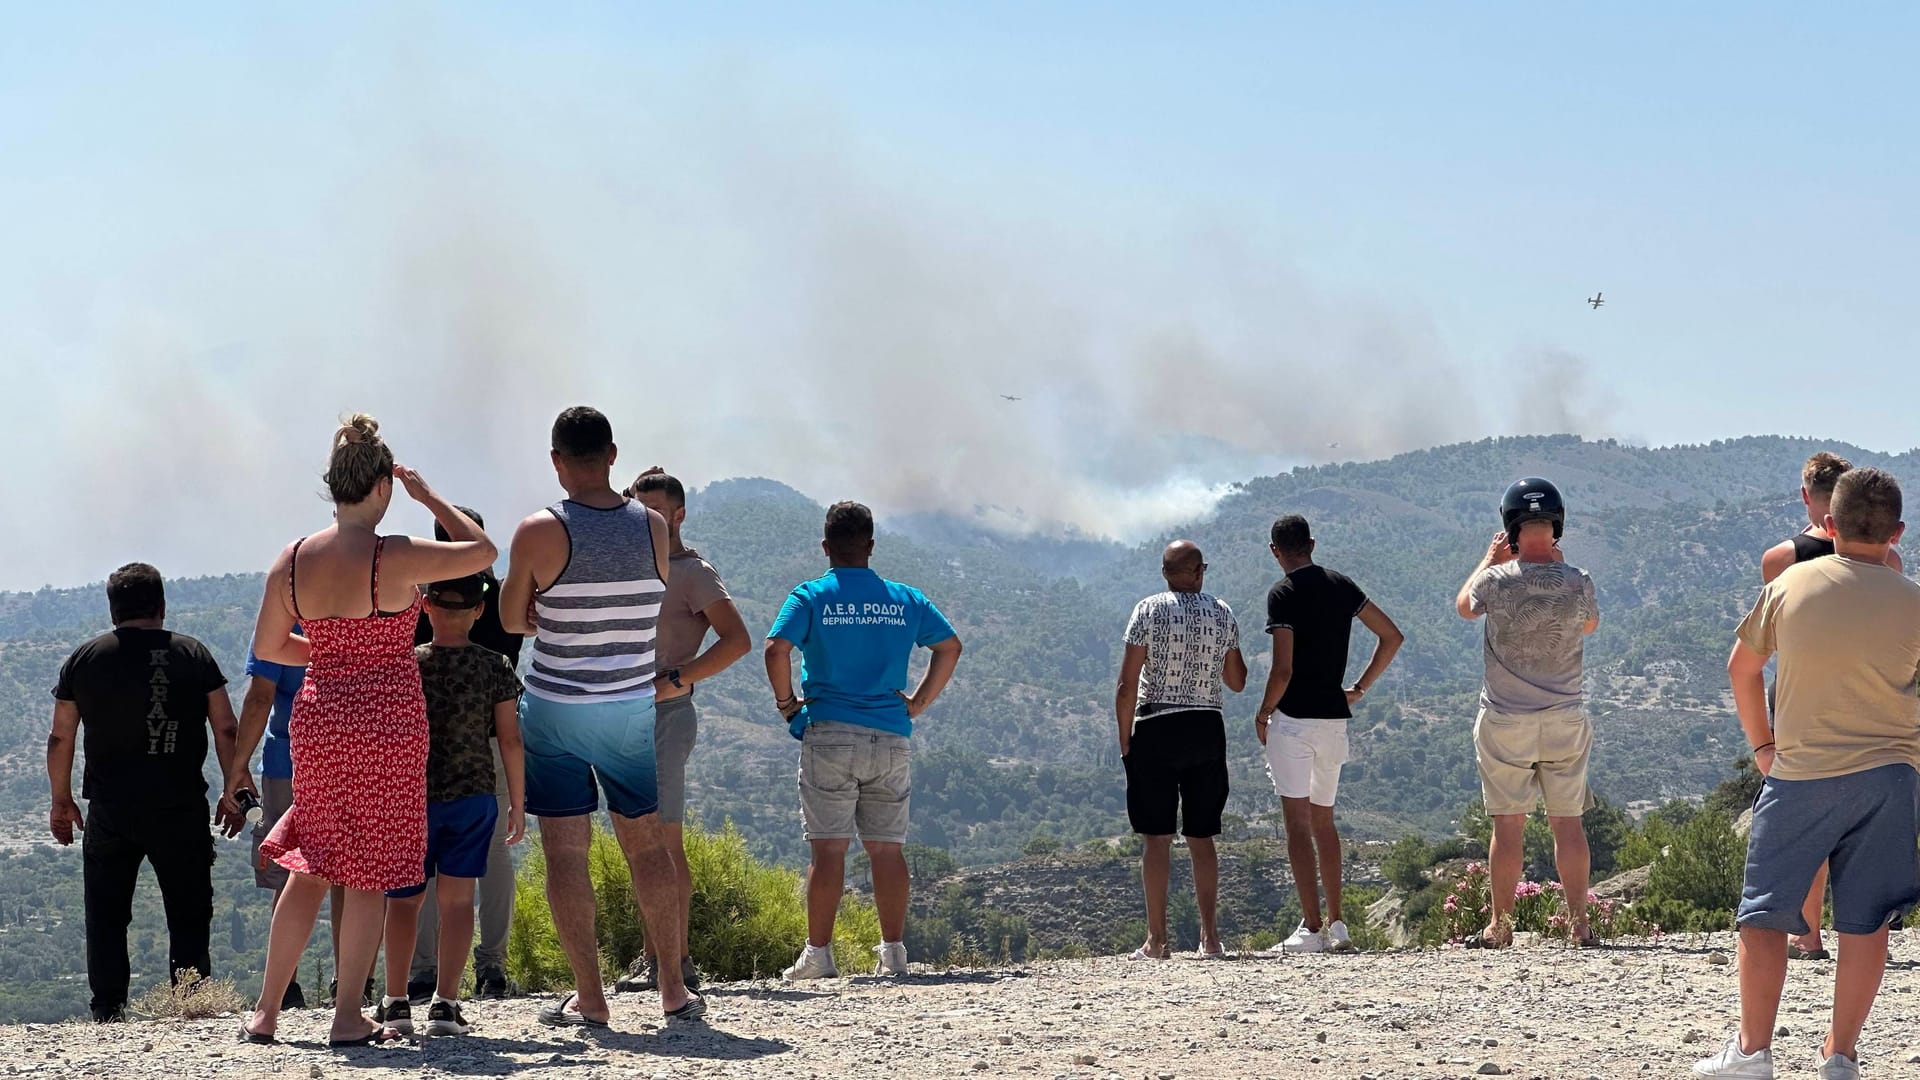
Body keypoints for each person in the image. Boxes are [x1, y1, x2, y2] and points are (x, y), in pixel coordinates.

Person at [231, 414, 496, 1047]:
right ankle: (347, 1013)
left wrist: (330, 649)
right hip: (389, 724)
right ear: (382, 486)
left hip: (321, 718)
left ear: (332, 484)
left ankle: (265, 1013)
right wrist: (430, 498)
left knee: (312, 861)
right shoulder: (396, 555)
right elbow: (483, 553)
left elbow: (270, 646)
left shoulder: (291, 561)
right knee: (371, 870)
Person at [1693, 468, 1920, 1080]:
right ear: (1897, 533)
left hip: (1800, 772)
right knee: (1867, 921)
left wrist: (1764, 747)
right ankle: (1839, 1057)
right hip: (1891, 777)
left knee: (1765, 914)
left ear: (1828, 525)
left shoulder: (1792, 583)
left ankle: (1752, 1054)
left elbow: (1741, 669)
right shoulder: (1915, 602)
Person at [498, 406, 703, 1024]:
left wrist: (545, 605)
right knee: (646, 848)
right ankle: (672, 987)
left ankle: (590, 999)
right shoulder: (654, 529)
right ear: (613, 455)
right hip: (629, 709)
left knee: (566, 852)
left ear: (557, 462)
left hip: (557, 708)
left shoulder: (538, 530)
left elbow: (512, 619)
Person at [765, 501, 962, 980]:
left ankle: (819, 956)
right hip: (891, 734)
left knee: (828, 851)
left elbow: (775, 649)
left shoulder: (810, 595)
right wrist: (916, 703)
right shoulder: (905, 599)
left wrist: (787, 704)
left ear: (825, 546)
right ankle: (893, 953)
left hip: (829, 731)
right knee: (887, 850)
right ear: (871, 546)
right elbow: (949, 646)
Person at [46, 563, 247, 1022]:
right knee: (189, 908)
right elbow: (226, 725)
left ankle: (108, 1009)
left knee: (106, 912)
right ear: (161, 606)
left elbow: (61, 737)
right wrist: (236, 785)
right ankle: (191, 1002)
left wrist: (61, 799)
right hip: (179, 805)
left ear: (113, 609)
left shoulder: (84, 658)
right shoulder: (192, 653)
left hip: (111, 808)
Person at [1756, 452, 1902, 964]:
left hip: (1799, 699)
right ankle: (1862, 932)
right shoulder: (1890, 562)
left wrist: (1761, 741)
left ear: (1807, 497)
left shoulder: (1780, 560)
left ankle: (1807, 933)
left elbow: (1765, 646)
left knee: (1805, 821)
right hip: (1873, 703)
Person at [613, 468, 752, 994]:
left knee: (666, 840)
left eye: (655, 511)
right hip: (620, 716)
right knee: (637, 841)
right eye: (638, 509)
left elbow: (737, 639)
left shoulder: (693, 572)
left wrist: (679, 677)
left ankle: (680, 961)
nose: (646, 519)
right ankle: (654, 961)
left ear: (678, 515)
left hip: (667, 718)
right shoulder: (627, 565)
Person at [377, 574, 527, 1037]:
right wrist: (518, 803)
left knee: (403, 903)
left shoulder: (403, 663)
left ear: (425, 606)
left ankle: (396, 1002)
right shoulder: (495, 666)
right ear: (480, 611)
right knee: (458, 903)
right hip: (473, 798)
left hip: (410, 798)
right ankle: (446, 1004)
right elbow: (509, 738)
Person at [1453, 477, 1600, 949]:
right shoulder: (1579, 580)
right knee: (1568, 823)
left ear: (1510, 526)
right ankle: (1579, 923)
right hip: (1564, 717)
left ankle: (1501, 926)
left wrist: (1490, 559)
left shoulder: (1494, 581)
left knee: (1508, 824)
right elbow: (1591, 625)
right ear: (1556, 523)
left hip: (1505, 719)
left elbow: (1464, 608)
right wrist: (1558, 572)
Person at [1255, 516, 1403, 954]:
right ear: (1312, 544)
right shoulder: (1342, 586)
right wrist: (1359, 688)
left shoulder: (1282, 594)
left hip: (1295, 720)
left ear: (1275, 550)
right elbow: (1391, 636)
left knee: (1296, 825)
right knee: (1324, 821)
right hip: (1333, 720)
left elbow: (1283, 668)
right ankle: (1338, 924)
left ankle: (1311, 928)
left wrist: (1263, 712)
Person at [405, 506, 523, 1004]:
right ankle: (491, 968)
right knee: (493, 856)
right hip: (490, 743)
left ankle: (422, 971)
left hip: (420, 753)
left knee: (422, 865)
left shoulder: (416, 600)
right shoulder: (497, 601)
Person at [1115, 541, 1247, 961]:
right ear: (1199, 571)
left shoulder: (1147, 610)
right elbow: (1237, 680)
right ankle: (1210, 939)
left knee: (1156, 838)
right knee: (1201, 835)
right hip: (1206, 726)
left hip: (1155, 726)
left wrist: (1125, 741)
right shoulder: (1222, 611)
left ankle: (1158, 941)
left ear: (1164, 571)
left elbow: (1127, 683)